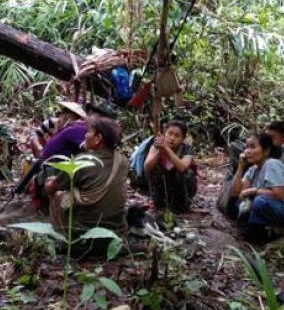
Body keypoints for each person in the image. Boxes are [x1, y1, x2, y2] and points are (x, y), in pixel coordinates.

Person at [46, 116, 128, 253]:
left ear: (98, 139)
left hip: (82, 233)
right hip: (115, 233)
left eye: (88, 131)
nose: (85, 135)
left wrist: (50, 182)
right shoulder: (122, 161)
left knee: (57, 192)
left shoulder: (82, 162)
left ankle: (59, 236)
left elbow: (52, 187)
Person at [229, 132, 284, 242]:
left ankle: (262, 235)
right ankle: (265, 233)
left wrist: (254, 190)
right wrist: (240, 166)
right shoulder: (253, 170)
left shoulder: (272, 164)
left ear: (266, 151)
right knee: (241, 202)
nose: (247, 151)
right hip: (282, 210)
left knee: (260, 201)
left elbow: (279, 195)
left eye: (253, 147)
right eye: (246, 147)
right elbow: (236, 193)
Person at [30, 102, 88, 203]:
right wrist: (40, 148)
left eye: (68, 116)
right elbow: (34, 136)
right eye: (63, 114)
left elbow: (85, 147)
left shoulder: (75, 129)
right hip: (46, 160)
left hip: (60, 165)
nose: (63, 118)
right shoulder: (52, 123)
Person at [143, 119, 197, 213]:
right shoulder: (156, 146)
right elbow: (147, 167)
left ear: (183, 138)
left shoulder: (187, 149)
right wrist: (159, 151)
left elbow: (182, 167)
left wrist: (167, 148)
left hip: (181, 189)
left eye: (177, 135)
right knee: (154, 168)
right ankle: (160, 202)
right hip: (164, 188)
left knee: (185, 172)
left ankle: (181, 204)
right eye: (170, 133)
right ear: (165, 133)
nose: (172, 138)